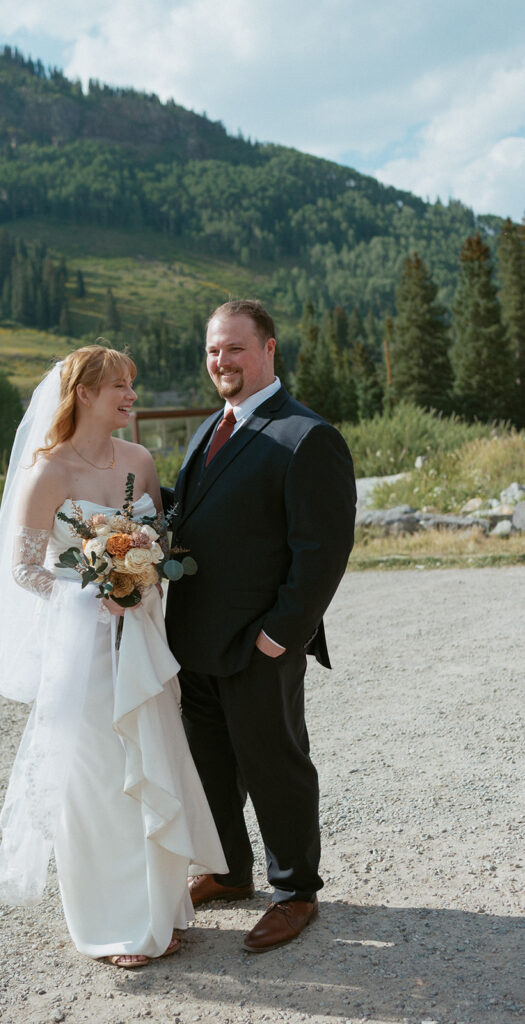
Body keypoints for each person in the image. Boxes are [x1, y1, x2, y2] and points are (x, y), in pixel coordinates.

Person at [0, 345, 226, 969]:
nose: (130, 395)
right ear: (83, 393)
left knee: (152, 763)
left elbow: (157, 541)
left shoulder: (139, 462)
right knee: (98, 781)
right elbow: (24, 571)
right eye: (118, 384)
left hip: (140, 642)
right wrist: (92, 585)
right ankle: (115, 924)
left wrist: (141, 577)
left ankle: (162, 913)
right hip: (82, 651)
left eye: (132, 384)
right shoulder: (48, 473)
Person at [165, 300, 356, 953]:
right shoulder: (206, 430)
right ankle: (227, 871)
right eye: (214, 349)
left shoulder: (306, 436)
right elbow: (199, 516)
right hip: (192, 640)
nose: (221, 361)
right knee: (209, 766)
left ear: (268, 350)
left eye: (235, 349)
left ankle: (294, 892)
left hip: (258, 644)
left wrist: (279, 636)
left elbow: (322, 552)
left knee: (275, 765)